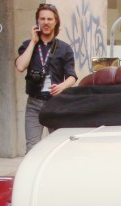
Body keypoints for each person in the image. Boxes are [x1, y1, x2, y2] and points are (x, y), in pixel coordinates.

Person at [15, 3, 77, 153]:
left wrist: (62, 86)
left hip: (55, 103)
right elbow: (20, 66)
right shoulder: (28, 45)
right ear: (37, 22)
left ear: (56, 22)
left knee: (58, 147)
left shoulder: (64, 48)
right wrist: (33, 42)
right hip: (34, 103)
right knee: (32, 148)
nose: (46, 22)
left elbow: (72, 76)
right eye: (42, 19)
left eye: (49, 19)